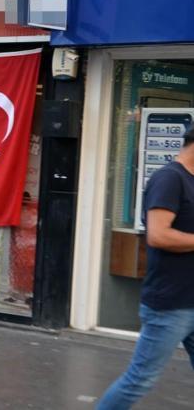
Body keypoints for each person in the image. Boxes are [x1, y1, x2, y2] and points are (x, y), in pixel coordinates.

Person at [96, 129, 194, 409]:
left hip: (190, 298)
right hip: (171, 306)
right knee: (139, 380)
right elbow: (158, 235)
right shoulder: (170, 179)